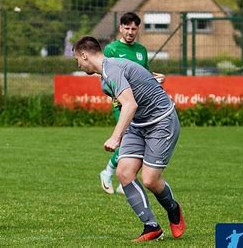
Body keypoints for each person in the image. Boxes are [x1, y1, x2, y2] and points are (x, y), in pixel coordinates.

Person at [73, 36, 185, 242]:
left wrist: (116, 137)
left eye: (77, 60)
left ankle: (173, 208)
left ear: (84, 54)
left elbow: (130, 105)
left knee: (150, 180)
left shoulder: (111, 69)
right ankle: (151, 227)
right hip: (138, 125)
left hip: (161, 121)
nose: (78, 64)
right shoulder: (106, 77)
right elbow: (135, 83)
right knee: (124, 173)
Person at [100, 12, 165, 195]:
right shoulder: (111, 49)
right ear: (120, 28)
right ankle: (108, 173)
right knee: (126, 140)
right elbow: (105, 77)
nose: (130, 32)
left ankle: (121, 180)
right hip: (121, 104)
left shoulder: (141, 50)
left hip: (140, 105)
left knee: (137, 142)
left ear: (138, 29)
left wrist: (158, 79)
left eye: (133, 28)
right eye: (126, 28)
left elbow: (144, 75)